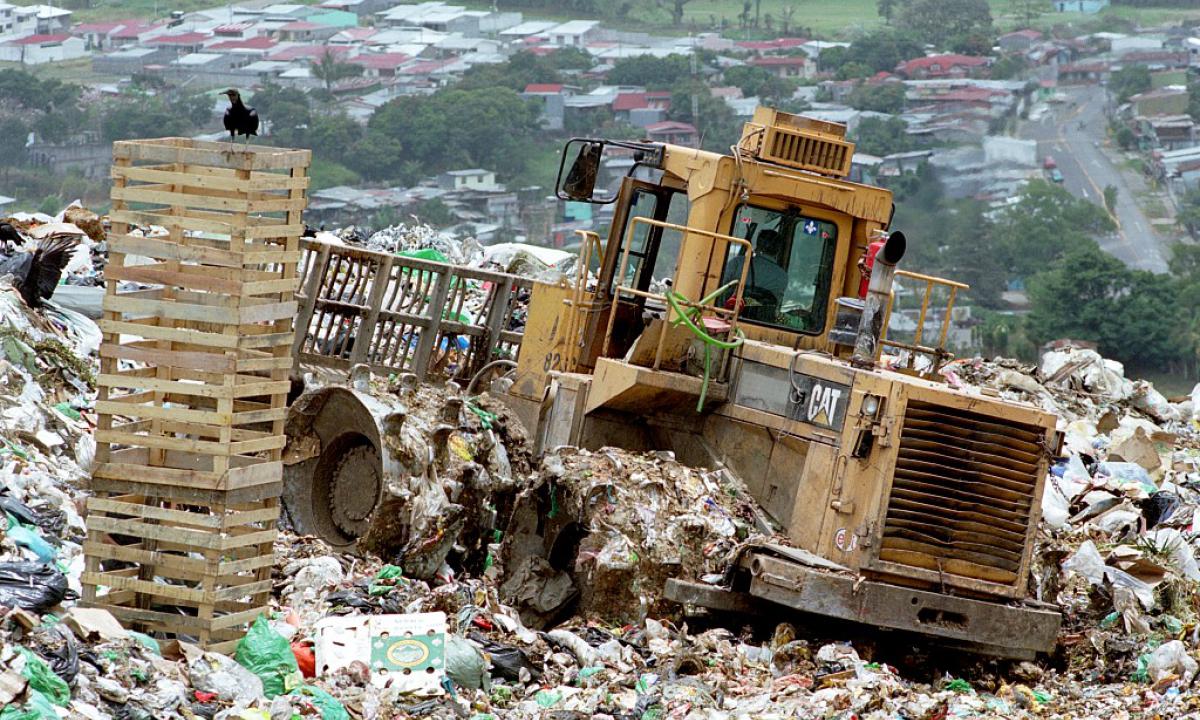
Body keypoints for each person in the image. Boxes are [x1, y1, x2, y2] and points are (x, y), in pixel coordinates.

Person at [725, 228, 788, 310]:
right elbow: (776, 303)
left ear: (758, 244)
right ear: (778, 250)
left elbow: (722, 288)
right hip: (762, 320)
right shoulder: (782, 276)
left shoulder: (738, 263)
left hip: (731, 313)